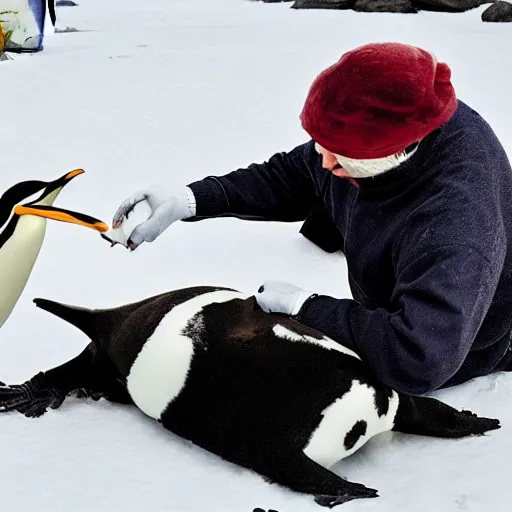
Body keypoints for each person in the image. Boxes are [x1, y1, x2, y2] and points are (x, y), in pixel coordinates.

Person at [112, 42, 512, 396]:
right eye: (321, 144)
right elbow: (294, 174)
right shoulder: (387, 121)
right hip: (394, 287)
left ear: (395, 150)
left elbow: (419, 358)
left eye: (338, 154)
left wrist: (308, 308)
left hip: (457, 345)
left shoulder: (455, 223)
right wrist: (191, 199)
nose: (323, 160)